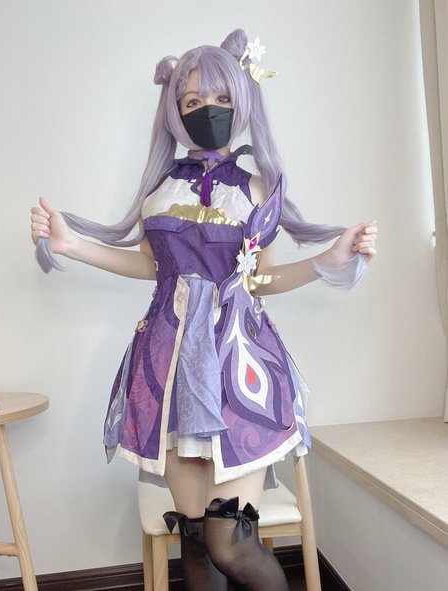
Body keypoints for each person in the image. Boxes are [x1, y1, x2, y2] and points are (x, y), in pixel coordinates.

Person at [30, 29, 377, 591]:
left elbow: (258, 282)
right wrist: (72, 245)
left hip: (238, 373)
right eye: (192, 100)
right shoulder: (161, 189)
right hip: (167, 371)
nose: (207, 110)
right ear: (174, 111)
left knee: (229, 543)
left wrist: (327, 261)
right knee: (195, 539)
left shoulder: (257, 189)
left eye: (220, 98)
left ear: (242, 101)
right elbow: (152, 266)